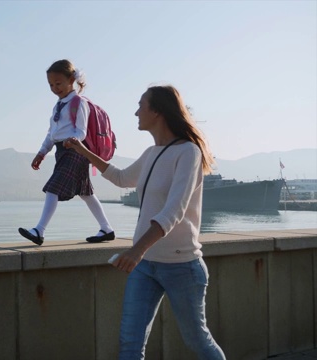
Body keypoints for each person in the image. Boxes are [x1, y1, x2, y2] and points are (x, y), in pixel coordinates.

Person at [65, 85, 226, 359]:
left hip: (182, 266)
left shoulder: (188, 152)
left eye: (141, 105)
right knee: (129, 344)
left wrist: (135, 250)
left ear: (158, 111)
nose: (136, 111)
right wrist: (83, 151)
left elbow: (173, 211)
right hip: (146, 267)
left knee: (198, 340)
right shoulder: (152, 153)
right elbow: (120, 177)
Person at [18, 59, 115, 246]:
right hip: (61, 151)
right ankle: (107, 228)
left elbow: (82, 131)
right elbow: (52, 134)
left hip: (75, 150)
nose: (55, 88)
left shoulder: (78, 102)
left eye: (58, 83)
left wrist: (74, 142)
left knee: (53, 187)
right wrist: (42, 152)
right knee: (85, 192)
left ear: (71, 79)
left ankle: (39, 230)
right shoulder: (58, 106)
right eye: (51, 85)